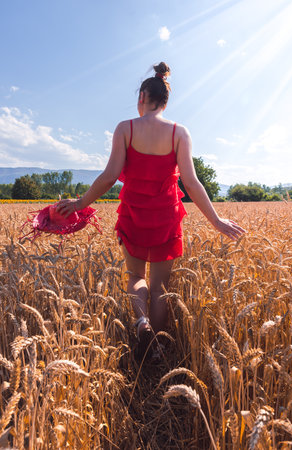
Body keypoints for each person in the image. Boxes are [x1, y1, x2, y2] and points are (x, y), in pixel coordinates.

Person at [56, 62, 246, 359]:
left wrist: (80, 204)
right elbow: (192, 183)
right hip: (166, 218)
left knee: (135, 276)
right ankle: (155, 350)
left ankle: (141, 322)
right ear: (165, 101)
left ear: (143, 96)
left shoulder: (126, 128)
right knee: (160, 286)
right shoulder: (179, 133)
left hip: (134, 214)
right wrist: (217, 220)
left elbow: (108, 177)